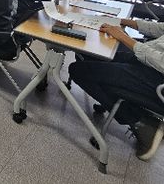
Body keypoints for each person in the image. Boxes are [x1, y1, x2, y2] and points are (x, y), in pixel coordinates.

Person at [69, 20, 164, 161]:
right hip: (147, 61)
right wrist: (122, 21)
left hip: (156, 80)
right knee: (89, 53)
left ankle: (140, 123)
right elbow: (160, 29)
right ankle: (129, 110)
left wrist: (124, 38)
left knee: (78, 71)